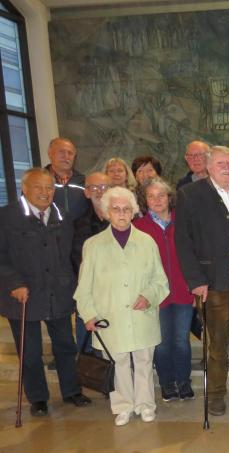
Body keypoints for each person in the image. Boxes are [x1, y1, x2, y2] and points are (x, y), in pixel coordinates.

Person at [0, 168, 92, 417]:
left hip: (59, 292)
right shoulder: (7, 217)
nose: (44, 192)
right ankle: (38, 398)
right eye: (38, 187)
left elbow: (74, 254)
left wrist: (78, 283)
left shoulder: (63, 217)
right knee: (30, 352)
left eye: (49, 187)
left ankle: (72, 390)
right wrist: (13, 283)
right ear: (25, 188)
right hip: (22, 295)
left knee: (65, 345)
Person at [175, 145, 229, 416]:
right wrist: (195, 280)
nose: (226, 167)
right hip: (213, 278)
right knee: (217, 341)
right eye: (221, 163)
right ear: (208, 167)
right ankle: (215, 394)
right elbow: (183, 241)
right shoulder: (190, 194)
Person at [75, 186, 169, 426]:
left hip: (142, 313)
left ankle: (146, 404)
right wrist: (88, 314)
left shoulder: (146, 242)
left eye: (126, 209)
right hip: (110, 315)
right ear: (107, 212)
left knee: (144, 362)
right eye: (116, 209)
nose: (121, 214)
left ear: (134, 211)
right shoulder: (93, 245)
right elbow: (84, 286)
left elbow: (160, 280)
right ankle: (123, 406)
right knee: (118, 364)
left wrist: (149, 295)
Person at [133, 178, 195, 402]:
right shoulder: (139, 227)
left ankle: (184, 381)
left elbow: (195, 254)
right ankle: (167, 383)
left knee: (181, 341)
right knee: (160, 343)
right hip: (155, 295)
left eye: (161, 195)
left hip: (182, 291)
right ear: (145, 200)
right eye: (151, 196)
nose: (157, 200)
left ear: (170, 198)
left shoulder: (184, 222)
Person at [72, 171, 111, 353]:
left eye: (104, 187)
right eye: (94, 187)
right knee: (87, 352)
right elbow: (74, 261)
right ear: (86, 192)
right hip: (89, 297)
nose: (100, 192)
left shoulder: (126, 221)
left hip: (117, 297)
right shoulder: (77, 225)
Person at [46, 137, 89, 222]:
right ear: (50, 153)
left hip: (81, 233)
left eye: (70, 153)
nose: (66, 157)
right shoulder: (37, 181)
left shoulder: (84, 182)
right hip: (49, 233)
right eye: (61, 152)